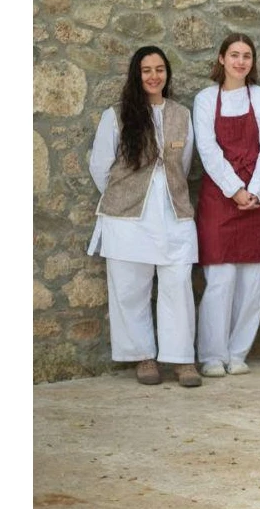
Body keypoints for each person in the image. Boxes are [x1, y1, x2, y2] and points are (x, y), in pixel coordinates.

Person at [87, 46, 201, 387]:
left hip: (173, 214)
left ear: (167, 74)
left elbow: (185, 163)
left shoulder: (181, 114)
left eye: (160, 69)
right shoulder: (117, 114)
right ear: (137, 75)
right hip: (127, 218)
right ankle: (143, 356)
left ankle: (181, 359)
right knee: (129, 288)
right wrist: (125, 193)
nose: (154, 76)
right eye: (146, 70)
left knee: (178, 284)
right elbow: (100, 165)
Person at [192, 33, 260, 377]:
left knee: (252, 281)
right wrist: (235, 189)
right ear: (221, 59)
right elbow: (208, 149)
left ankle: (238, 352)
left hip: (258, 195)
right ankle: (213, 355)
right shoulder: (204, 99)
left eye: (247, 56)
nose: (240, 61)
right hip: (220, 195)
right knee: (221, 279)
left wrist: (255, 189)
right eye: (234, 55)